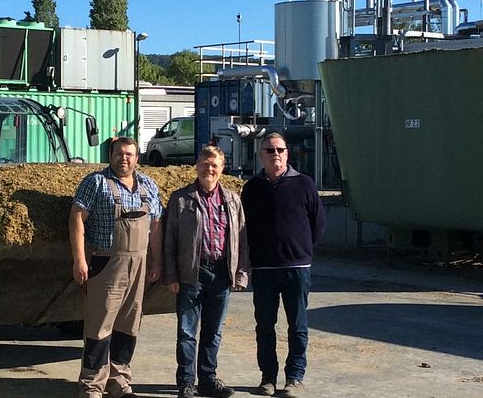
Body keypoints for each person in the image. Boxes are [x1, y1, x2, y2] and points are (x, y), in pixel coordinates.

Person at [69, 137, 163, 398]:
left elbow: (156, 225)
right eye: (119, 153)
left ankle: (119, 380)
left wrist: (157, 261)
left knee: (129, 326)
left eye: (130, 154)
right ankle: (91, 385)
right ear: (110, 155)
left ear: (137, 157)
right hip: (106, 263)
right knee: (99, 327)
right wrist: (80, 260)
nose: (125, 158)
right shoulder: (95, 182)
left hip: (139, 263)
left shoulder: (148, 185)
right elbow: (77, 217)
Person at [240, 133, 326, 397]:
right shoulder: (252, 188)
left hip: (296, 269)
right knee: (264, 326)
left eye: (279, 149)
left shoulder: (304, 184)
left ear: (287, 154)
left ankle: (295, 377)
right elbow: (244, 228)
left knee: (297, 325)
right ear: (261, 155)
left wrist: (302, 250)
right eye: (269, 150)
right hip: (264, 269)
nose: (275, 154)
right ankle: (268, 377)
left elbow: (318, 224)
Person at [162, 146, 249, 398]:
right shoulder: (181, 199)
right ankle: (186, 382)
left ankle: (208, 379)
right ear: (197, 166)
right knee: (187, 332)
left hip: (221, 274)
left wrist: (240, 273)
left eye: (214, 165)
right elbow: (169, 240)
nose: (208, 169)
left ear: (222, 169)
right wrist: (171, 275)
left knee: (214, 331)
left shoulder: (232, 200)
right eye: (204, 163)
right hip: (192, 273)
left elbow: (242, 239)